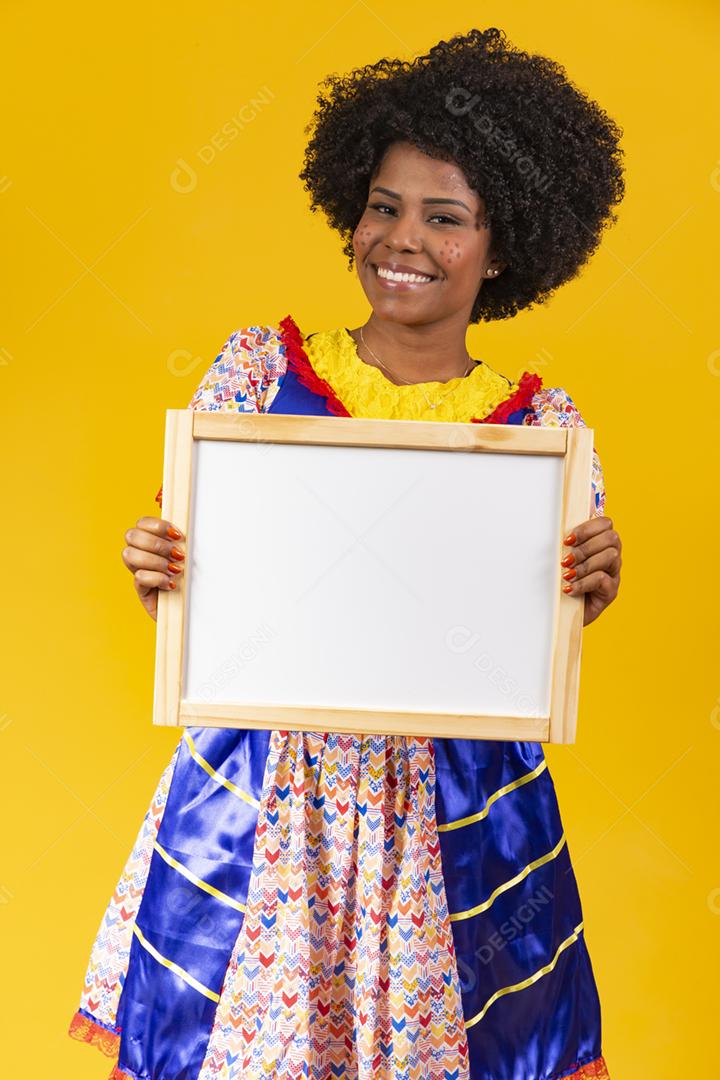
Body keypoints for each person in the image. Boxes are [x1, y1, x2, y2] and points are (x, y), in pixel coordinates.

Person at [69, 26, 624, 1080]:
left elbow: (535, 634)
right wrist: (164, 575)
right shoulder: (254, 377)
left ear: (504, 247)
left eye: (445, 217)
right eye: (383, 206)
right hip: (272, 804)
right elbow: (211, 606)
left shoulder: (544, 436)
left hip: (454, 817)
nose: (401, 239)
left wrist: (584, 587)